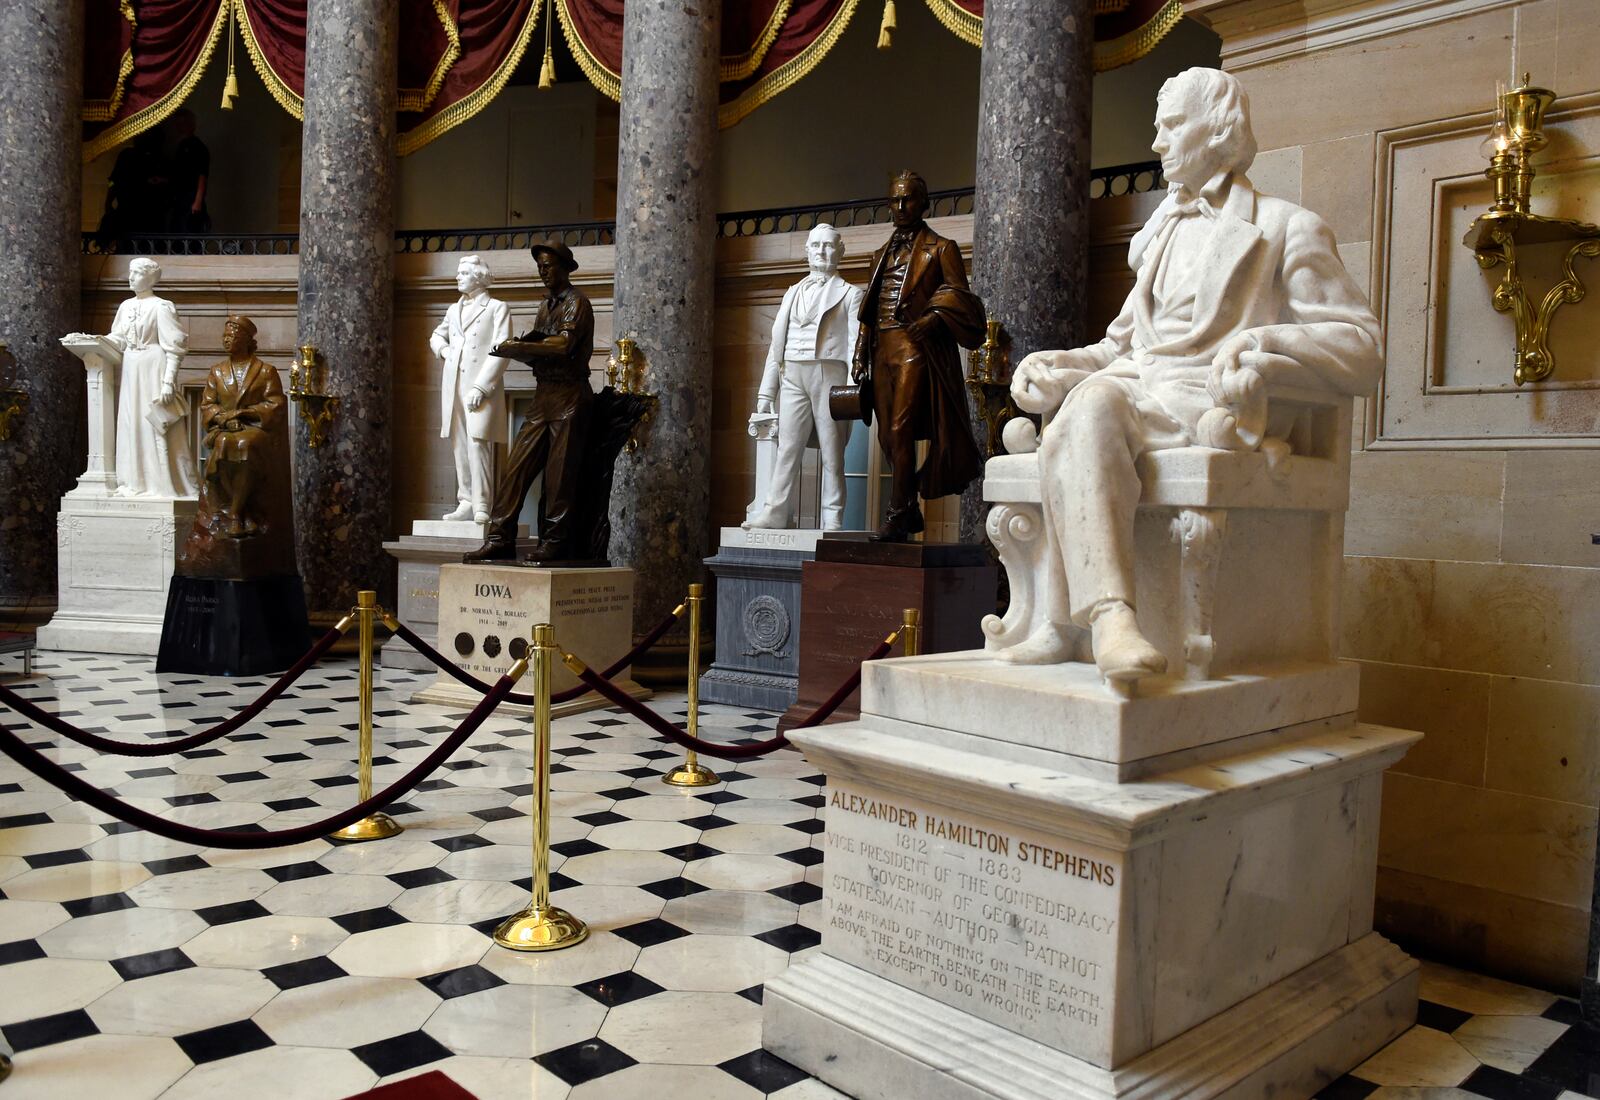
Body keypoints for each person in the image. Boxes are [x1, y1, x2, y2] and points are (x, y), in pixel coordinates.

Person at [1003, 67, 1383, 685]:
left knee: (1093, 406)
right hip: (1135, 390)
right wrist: (1059, 365)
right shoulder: (1158, 234)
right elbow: (1120, 346)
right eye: (1159, 127)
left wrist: (1264, 341)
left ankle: (1102, 620)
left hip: (1206, 403)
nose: (1157, 143)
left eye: (1173, 125)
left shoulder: (1286, 228)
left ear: (1221, 130)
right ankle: (1088, 622)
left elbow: (1361, 348)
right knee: (1089, 397)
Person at [852, 171, 985, 542]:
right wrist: (860, 353)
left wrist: (933, 317)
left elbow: (961, 296)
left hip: (915, 346)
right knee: (887, 440)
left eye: (907, 199)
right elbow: (868, 309)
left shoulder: (941, 248)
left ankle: (896, 515)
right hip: (881, 349)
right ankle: (909, 509)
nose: (899, 207)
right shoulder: (879, 255)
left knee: (901, 430)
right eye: (894, 200)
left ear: (923, 203)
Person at [464, 240, 595, 564]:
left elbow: (564, 345)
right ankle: (499, 538)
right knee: (515, 469)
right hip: (543, 395)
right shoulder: (544, 306)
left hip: (569, 396)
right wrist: (518, 350)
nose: (543, 272)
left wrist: (520, 348)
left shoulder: (577, 303)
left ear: (564, 268)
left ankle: (556, 542)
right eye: (540, 267)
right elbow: (541, 350)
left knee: (558, 477)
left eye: (548, 266)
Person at [744, 223, 863, 531]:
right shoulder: (792, 293)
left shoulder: (850, 294)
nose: (822, 251)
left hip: (829, 374)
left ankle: (832, 516)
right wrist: (765, 393)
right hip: (792, 374)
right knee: (788, 448)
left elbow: (854, 345)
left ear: (840, 252)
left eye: (828, 245)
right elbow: (777, 345)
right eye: (816, 245)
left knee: (832, 450)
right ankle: (776, 510)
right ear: (807, 251)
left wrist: (852, 388)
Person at [69, 257, 198, 497]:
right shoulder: (125, 306)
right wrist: (92, 340)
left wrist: (168, 381)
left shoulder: (162, 306)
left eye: (136, 273)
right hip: (131, 367)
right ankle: (135, 482)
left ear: (150, 278)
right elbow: (118, 338)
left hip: (153, 367)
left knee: (154, 424)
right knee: (132, 422)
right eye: (130, 273)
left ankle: (160, 484)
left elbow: (174, 346)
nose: (130, 278)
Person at [431, 255, 511, 523]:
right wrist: (443, 350)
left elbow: (501, 349)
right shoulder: (454, 310)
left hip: (479, 386)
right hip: (453, 383)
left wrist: (481, 386)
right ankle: (465, 499)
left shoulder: (496, 307)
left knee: (478, 443)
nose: (457, 277)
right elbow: (436, 335)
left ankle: (482, 503)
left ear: (478, 277)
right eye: (458, 272)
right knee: (459, 444)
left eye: (463, 273)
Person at [196, 316, 287, 539]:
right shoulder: (217, 372)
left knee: (246, 444)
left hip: (255, 429)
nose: (226, 340)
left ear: (246, 339)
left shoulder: (265, 371)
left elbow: (275, 403)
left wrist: (244, 413)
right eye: (225, 336)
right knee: (224, 442)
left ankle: (235, 511)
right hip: (224, 429)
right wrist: (224, 419)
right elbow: (207, 404)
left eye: (232, 336)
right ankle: (238, 511)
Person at [167, 109, 211, 234]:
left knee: (190, 234)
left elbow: (202, 175)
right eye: (178, 124)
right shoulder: (180, 146)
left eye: (183, 123)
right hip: (178, 198)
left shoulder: (198, 147)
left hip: (191, 198)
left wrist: (197, 201)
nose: (180, 127)